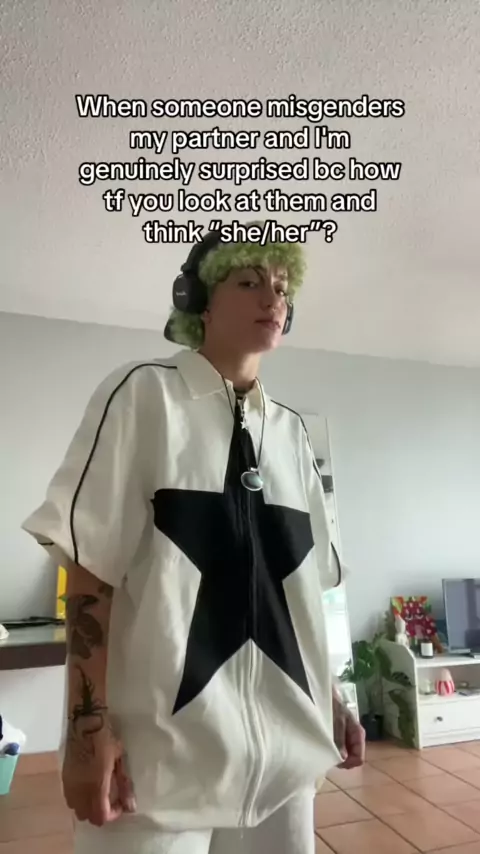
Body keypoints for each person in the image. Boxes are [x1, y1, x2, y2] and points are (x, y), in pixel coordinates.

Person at [21, 225, 365, 854]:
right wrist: (88, 729)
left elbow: (305, 594)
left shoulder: (292, 435)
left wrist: (333, 698)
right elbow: (91, 569)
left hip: (286, 768)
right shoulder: (142, 396)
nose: (273, 298)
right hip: (156, 774)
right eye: (249, 281)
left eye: (282, 288)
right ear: (198, 301)